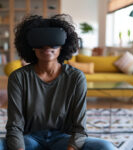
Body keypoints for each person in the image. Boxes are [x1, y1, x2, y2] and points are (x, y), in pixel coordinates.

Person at [0, 14, 117, 150]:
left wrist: (71, 148)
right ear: (31, 45)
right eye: (40, 42)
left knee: (106, 147)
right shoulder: (18, 77)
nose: (46, 46)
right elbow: (15, 125)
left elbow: (79, 127)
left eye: (53, 41)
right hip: (29, 139)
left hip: (63, 139)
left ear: (63, 45)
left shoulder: (76, 77)